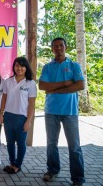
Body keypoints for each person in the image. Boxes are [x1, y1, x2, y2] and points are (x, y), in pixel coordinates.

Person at [39, 37, 85, 186]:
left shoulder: (74, 66)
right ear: (52, 49)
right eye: (55, 46)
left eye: (61, 45)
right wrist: (65, 83)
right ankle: (52, 170)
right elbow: (42, 86)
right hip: (51, 111)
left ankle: (77, 178)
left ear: (66, 47)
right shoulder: (47, 67)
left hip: (70, 112)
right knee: (51, 144)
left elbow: (80, 85)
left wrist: (54, 89)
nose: (58, 48)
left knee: (74, 147)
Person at [0, 57, 37, 174]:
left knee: (21, 143)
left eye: (22, 66)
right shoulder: (8, 82)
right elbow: (3, 99)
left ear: (26, 68)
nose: (19, 68)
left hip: (22, 118)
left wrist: (28, 121)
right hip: (9, 116)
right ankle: (12, 163)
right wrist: (1, 114)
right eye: (16, 66)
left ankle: (18, 165)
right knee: (9, 142)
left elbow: (32, 104)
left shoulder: (30, 83)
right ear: (14, 67)